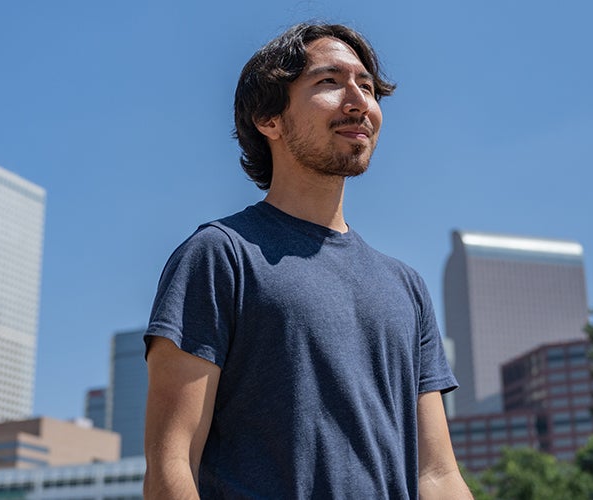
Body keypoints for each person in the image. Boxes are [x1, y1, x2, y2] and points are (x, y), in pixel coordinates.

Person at [143, 22, 472, 499]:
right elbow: (172, 465)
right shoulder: (221, 255)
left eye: (367, 86)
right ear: (269, 119)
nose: (359, 100)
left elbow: (437, 476)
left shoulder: (407, 287)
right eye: (330, 82)